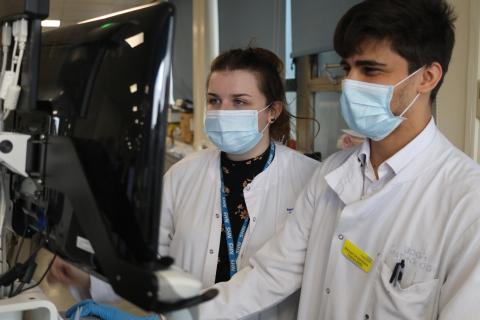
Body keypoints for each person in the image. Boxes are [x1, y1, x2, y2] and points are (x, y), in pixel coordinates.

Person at [195, 1, 480, 319]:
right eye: (348, 68)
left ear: (427, 76)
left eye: (370, 69)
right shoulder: (332, 172)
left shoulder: (467, 200)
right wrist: (181, 314)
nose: (349, 83)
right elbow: (271, 274)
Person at [49, 47, 318, 320]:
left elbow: (287, 275)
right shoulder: (183, 174)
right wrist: (89, 279)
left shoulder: (310, 180)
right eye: (214, 100)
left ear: (272, 111)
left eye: (239, 102)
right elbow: (149, 259)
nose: (222, 112)